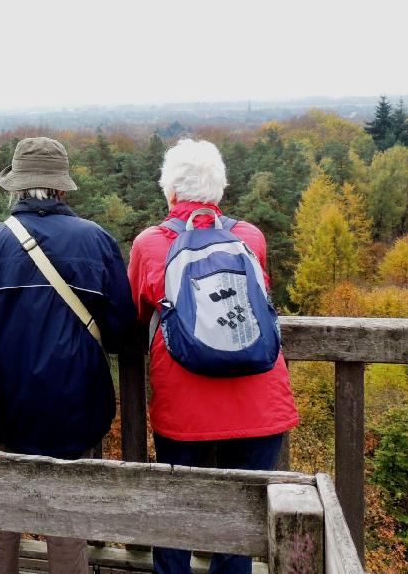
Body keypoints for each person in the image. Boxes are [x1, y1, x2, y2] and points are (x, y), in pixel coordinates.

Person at [0, 136, 137, 574]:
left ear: (16, 187)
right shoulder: (97, 241)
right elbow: (122, 329)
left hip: (7, 407)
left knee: (3, 519)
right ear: (62, 188)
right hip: (78, 403)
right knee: (68, 519)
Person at [127, 138, 299, 574]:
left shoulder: (150, 244)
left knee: (176, 517)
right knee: (238, 530)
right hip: (259, 401)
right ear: (219, 191)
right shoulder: (250, 237)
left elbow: (136, 313)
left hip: (185, 407)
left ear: (170, 193)